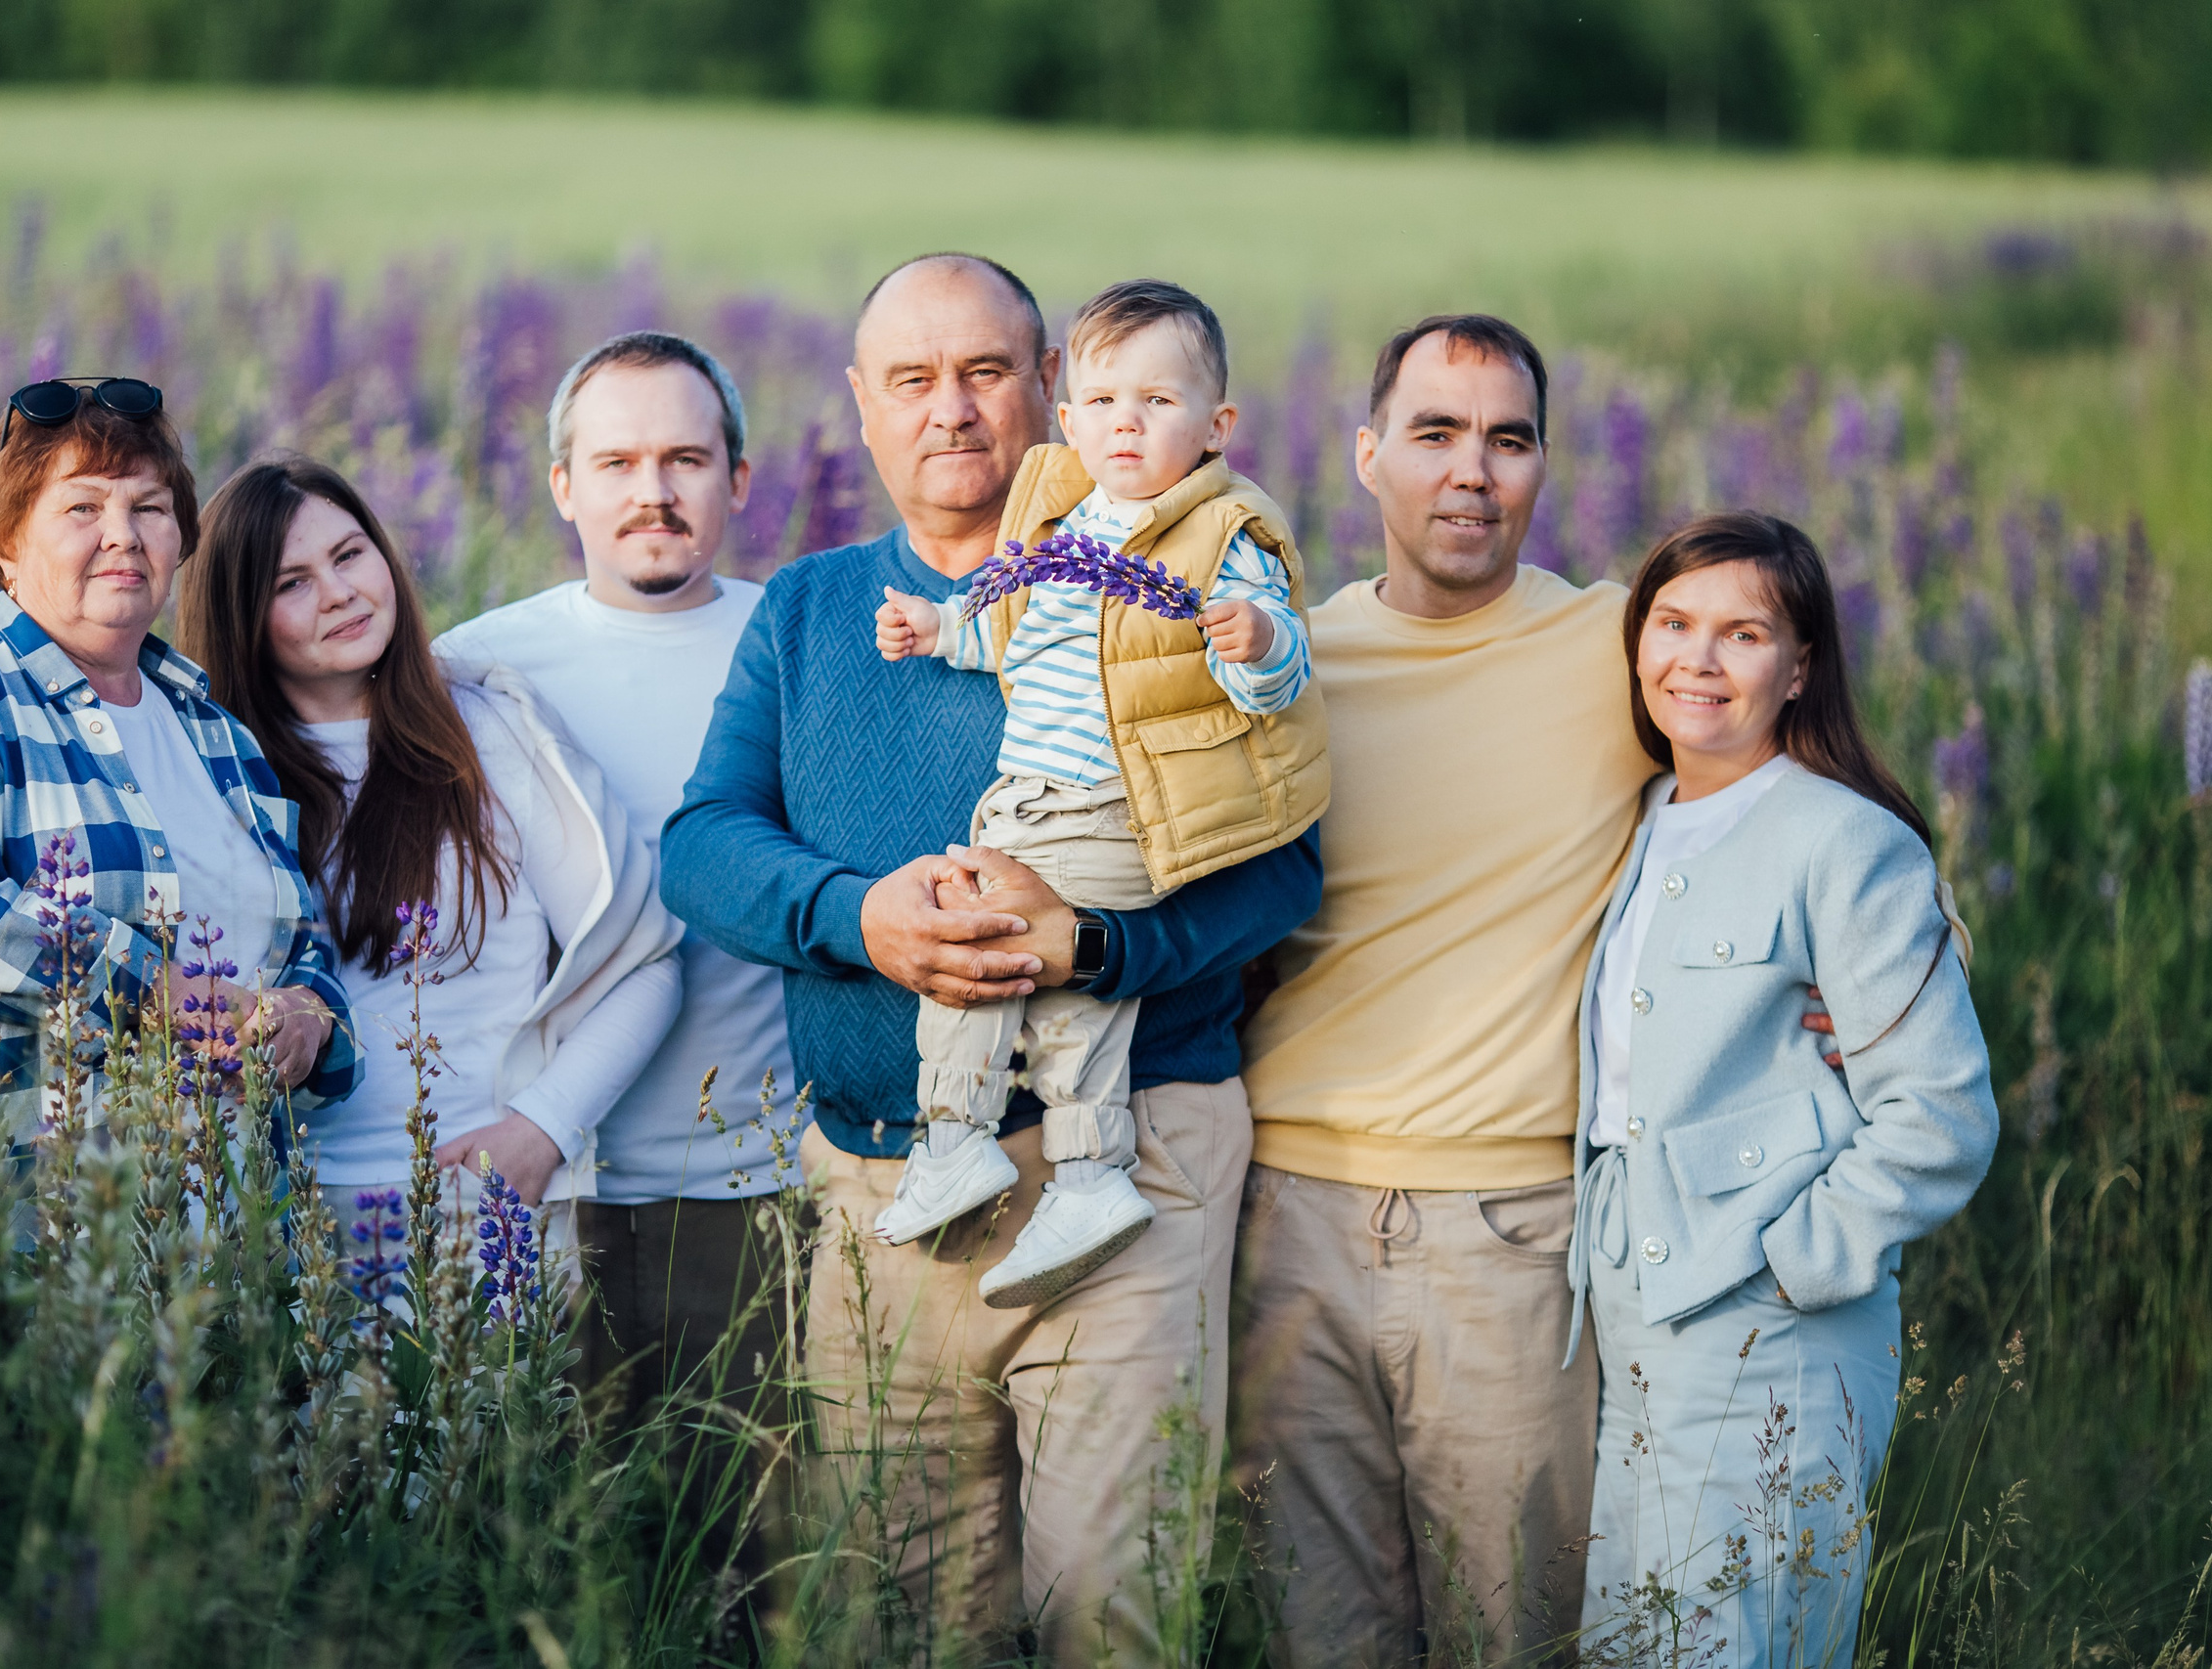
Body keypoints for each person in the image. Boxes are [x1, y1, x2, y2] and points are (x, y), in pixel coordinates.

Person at [662, 252, 1321, 1664]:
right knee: (889, 1617)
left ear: (1054, 398)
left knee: (1111, 1607)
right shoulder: (814, 607)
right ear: (862, 404)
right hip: (883, 1186)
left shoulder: (1176, 576)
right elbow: (704, 843)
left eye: (986, 372)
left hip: (1128, 1169)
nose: (951, 410)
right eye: (913, 378)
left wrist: (1102, 942)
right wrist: (862, 917)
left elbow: (1282, 860)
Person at [1232, 316, 1658, 1662]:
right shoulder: (1280, 661)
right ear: (1368, 457)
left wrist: (1847, 992)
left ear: (1542, 468)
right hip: (1286, 1217)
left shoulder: (1623, 649)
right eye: (1434, 434)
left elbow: (1812, 813)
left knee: (1516, 1628)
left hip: (1516, 1236)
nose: (1471, 470)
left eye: (1508, 438)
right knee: (1316, 1634)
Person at [1571, 512, 1996, 1663]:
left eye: (1742, 633)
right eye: (1672, 624)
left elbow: (1940, 1116)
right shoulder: (1643, 821)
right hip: (1631, 1305)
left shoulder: (1845, 842)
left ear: (1799, 665)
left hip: (1775, 1319)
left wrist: (1789, 1261)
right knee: (1637, 1640)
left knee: (1735, 1641)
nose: (1697, 660)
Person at [872, 278, 1323, 1307]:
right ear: (1068, 419)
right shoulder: (1064, 527)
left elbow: (1278, 678)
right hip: (1028, 799)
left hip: (1116, 808)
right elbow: (1006, 633)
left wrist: (1257, 645)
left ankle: (968, 1143)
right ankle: (1067, 1170)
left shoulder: (1225, 539)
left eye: (1159, 403)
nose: (1129, 422)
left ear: (1216, 427)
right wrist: (937, 628)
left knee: (1006, 956)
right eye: (1107, 401)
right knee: (1032, 972)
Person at [178, 455, 682, 1275]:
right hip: (284, 1226)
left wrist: (542, 1128)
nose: (338, 591)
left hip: (481, 1213)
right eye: (291, 582)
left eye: (348, 555)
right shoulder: (217, 777)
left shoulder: (490, 733)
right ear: (241, 616)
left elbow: (647, 965)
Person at [433, 331, 802, 1433]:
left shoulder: (799, 643)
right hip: (539, 1186)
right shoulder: (473, 670)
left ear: (737, 479)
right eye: (615, 463)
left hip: (754, 1185)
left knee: (747, 1552)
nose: (653, 492)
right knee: (557, 1538)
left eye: (685, 460)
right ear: (563, 486)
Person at [0, 377, 357, 1130]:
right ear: (6, 541)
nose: (123, 535)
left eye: (149, 507)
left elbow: (302, 944)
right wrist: (151, 987)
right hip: (5, 1224)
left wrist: (306, 1018)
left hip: (234, 1231)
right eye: (83, 507)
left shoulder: (218, 736)